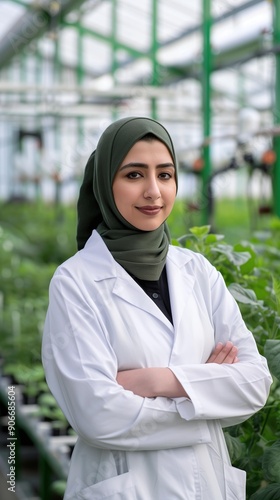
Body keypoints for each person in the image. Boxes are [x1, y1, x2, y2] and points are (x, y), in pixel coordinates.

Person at [42, 116, 272, 500]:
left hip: (206, 483)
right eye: (134, 175)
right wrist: (206, 396)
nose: (153, 191)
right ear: (104, 183)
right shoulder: (76, 283)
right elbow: (97, 414)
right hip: (123, 485)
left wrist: (156, 382)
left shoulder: (197, 271)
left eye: (165, 175)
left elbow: (254, 384)